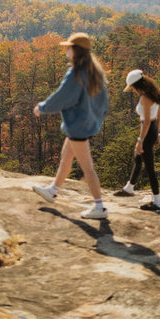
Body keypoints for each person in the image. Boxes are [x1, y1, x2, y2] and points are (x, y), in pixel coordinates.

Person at [32, 32, 109, 219]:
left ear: (76, 51)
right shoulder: (94, 72)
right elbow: (104, 104)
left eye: (69, 46)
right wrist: (96, 119)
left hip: (78, 127)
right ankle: (53, 191)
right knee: (66, 157)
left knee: (87, 167)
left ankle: (99, 207)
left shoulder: (75, 74)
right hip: (85, 124)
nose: (66, 49)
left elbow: (62, 97)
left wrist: (42, 108)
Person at [114, 69, 160, 211]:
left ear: (137, 85)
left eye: (133, 88)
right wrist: (158, 133)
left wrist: (140, 140)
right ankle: (129, 188)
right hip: (152, 129)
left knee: (149, 167)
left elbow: (146, 121)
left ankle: (157, 202)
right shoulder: (155, 93)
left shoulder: (145, 98)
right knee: (137, 157)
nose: (133, 91)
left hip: (147, 131)